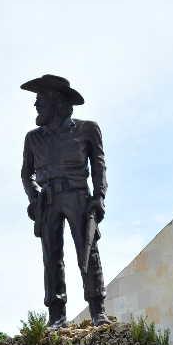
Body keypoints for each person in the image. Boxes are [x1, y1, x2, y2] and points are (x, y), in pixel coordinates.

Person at [20, 74, 110, 328]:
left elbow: (99, 166)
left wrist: (99, 196)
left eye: (40, 100)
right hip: (47, 200)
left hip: (78, 195)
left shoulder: (87, 129)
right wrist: (33, 196)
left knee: (87, 250)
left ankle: (97, 310)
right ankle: (56, 315)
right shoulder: (32, 138)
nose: (35, 106)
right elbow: (26, 174)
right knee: (51, 257)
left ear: (56, 102)